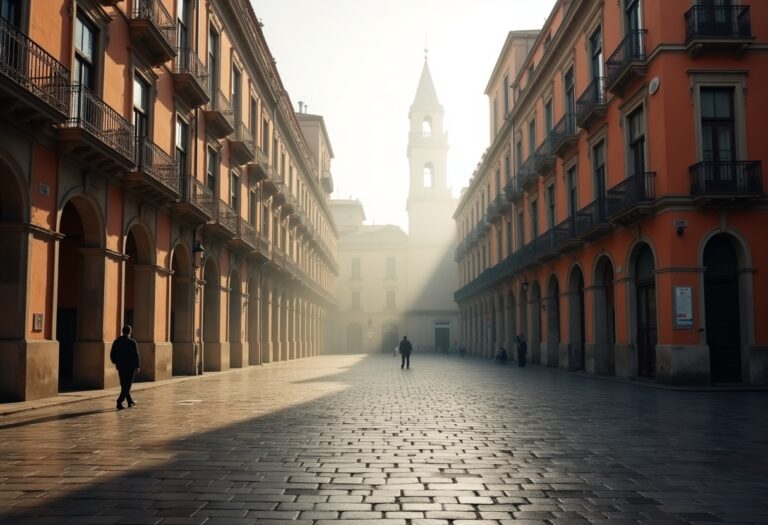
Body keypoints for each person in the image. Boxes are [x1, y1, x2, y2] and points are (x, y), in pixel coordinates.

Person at [110, 325, 140, 410]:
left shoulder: (117, 341)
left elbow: (112, 354)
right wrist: (137, 366)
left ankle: (130, 401)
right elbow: (136, 355)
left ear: (122, 331)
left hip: (121, 367)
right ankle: (119, 401)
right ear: (130, 332)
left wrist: (116, 362)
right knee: (127, 386)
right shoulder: (132, 342)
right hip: (130, 367)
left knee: (124, 385)